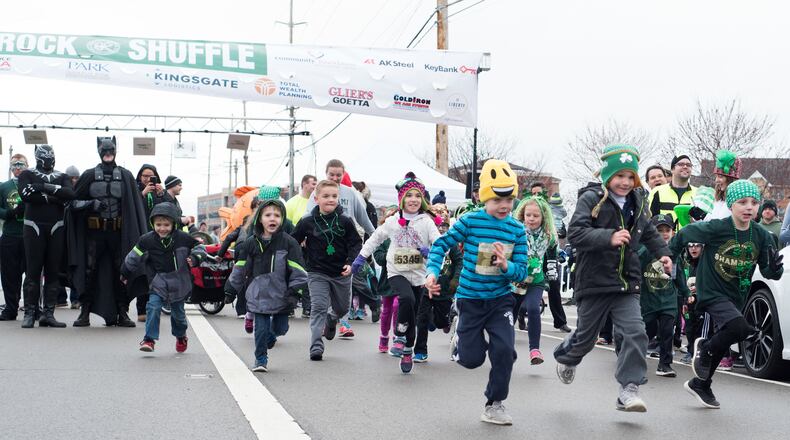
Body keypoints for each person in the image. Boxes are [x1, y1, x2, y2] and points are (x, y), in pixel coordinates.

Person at [554, 144, 672, 413]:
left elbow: (650, 232)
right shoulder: (591, 198)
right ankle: (566, 357)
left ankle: (629, 389)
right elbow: (575, 234)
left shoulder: (639, 201)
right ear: (608, 175)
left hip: (627, 282)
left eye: (630, 176)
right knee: (586, 338)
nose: (625, 182)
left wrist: (663, 254)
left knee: (635, 333)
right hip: (595, 281)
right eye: (620, 176)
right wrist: (609, 237)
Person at [425, 159, 528, 425]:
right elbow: (441, 245)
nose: (505, 206)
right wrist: (432, 272)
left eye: (510, 200)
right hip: (470, 299)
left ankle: (495, 404)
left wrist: (506, 265)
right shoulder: (470, 221)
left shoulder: (517, 230)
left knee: (505, 351)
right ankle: (461, 339)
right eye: (497, 200)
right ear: (484, 198)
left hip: (500, 300)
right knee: (471, 361)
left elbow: (521, 272)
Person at [672, 180, 783, 408]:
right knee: (740, 328)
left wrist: (776, 267)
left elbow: (769, 272)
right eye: (742, 202)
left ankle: (701, 384)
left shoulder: (761, 235)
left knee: (726, 336)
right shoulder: (716, 228)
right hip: (711, 290)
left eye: (754, 202)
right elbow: (683, 235)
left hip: (736, 295)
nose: (749, 207)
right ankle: (704, 348)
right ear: (731, 205)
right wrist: (667, 257)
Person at [351, 172, 442, 373]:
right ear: (401, 199)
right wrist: (359, 259)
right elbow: (374, 239)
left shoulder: (426, 221)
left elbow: (439, 243)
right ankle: (399, 335)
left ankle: (408, 349)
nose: (413, 200)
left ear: (423, 199)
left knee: (413, 314)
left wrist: (431, 251)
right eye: (409, 196)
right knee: (406, 299)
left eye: (417, 196)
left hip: (418, 275)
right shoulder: (392, 221)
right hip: (396, 271)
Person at [69, 136, 148, 327]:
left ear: (115, 150)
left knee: (122, 271)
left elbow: (134, 206)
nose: (107, 153)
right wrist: (91, 203)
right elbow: (72, 202)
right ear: (98, 150)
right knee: (89, 271)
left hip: (118, 233)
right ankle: (84, 312)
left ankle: (122, 312)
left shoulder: (126, 176)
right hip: (94, 233)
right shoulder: (88, 175)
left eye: (110, 150)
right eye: (104, 150)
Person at [225, 197, 307, 372]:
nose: (272, 218)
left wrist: (294, 292)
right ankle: (260, 359)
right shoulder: (250, 243)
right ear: (259, 219)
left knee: (280, 328)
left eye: (277, 215)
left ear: (282, 219)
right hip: (258, 295)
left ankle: (271, 337)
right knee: (260, 331)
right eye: (267, 215)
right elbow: (239, 268)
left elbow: (299, 270)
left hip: (282, 296)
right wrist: (231, 289)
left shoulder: (289, 243)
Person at [291, 180, 362, 361]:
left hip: (341, 273)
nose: (330, 199)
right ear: (316, 199)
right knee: (318, 307)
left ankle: (332, 319)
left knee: (341, 308)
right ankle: (316, 345)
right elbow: (292, 241)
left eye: (334, 196)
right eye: (326, 196)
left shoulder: (345, 221)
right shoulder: (307, 221)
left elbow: (355, 243)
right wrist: (299, 258)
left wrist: (351, 262)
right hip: (317, 272)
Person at [121, 202, 199, 353]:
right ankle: (149, 340)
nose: (162, 228)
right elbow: (133, 257)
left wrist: (195, 258)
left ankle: (181, 335)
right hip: (158, 280)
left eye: (166, 225)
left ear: (173, 224)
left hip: (178, 281)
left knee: (178, 316)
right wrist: (125, 272)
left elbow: (199, 248)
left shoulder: (183, 238)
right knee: (153, 307)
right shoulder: (146, 240)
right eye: (158, 224)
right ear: (153, 224)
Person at [17, 145, 76, 328]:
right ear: (38, 157)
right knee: (33, 271)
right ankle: (29, 313)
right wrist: (53, 196)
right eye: (45, 157)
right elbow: (25, 194)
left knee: (53, 272)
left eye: (51, 156)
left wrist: (42, 188)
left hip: (56, 227)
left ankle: (48, 313)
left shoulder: (62, 176)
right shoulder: (27, 174)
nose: (48, 160)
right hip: (33, 226)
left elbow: (69, 194)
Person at [638, 214, 689, 378]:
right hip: (649, 300)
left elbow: (679, 275)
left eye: (667, 230)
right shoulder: (644, 252)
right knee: (647, 331)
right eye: (659, 231)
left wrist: (686, 293)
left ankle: (665, 364)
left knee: (667, 331)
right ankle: (629, 354)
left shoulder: (673, 253)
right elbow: (633, 270)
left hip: (668, 300)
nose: (664, 234)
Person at [513, 195, 560, 364]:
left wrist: (552, 270)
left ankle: (535, 350)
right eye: (528, 215)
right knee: (510, 311)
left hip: (536, 279)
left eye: (536, 216)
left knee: (533, 309)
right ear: (522, 215)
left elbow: (552, 252)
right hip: (517, 278)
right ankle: (507, 346)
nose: (531, 219)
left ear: (543, 217)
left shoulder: (549, 235)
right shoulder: (516, 231)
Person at [413, 206, 460, 363]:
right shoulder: (422, 241)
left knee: (440, 321)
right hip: (424, 285)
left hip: (444, 288)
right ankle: (420, 351)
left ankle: (442, 319)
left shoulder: (449, 243)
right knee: (422, 318)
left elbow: (459, 261)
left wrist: (455, 280)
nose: (439, 229)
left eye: (442, 226)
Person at [0, 155, 28, 321]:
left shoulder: (32, 185)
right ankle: (11, 308)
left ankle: (33, 308)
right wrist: (8, 213)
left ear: (27, 166)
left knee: (32, 274)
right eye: (14, 165)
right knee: (10, 275)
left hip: (30, 236)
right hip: (10, 235)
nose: (18, 168)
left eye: (21, 165)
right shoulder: (4, 187)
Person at [648, 155, 696, 224]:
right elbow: (648, 220)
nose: (685, 167)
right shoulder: (657, 191)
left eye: (688, 165)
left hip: (689, 234)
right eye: (681, 164)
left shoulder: (698, 193)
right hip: (663, 235)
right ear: (672, 169)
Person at [679, 242, 704, 364]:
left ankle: (698, 353)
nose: (693, 249)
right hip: (688, 302)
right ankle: (690, 350)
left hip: (702, 302)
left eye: (697, 246)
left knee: (700, 328)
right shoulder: (686, 263)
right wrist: (684, 301)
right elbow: (683, 282)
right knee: (689, 327)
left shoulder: (706, 263)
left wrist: (699, 288)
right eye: (690, 246)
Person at [707, 150, 741, 220]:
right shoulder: (718, 200)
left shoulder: (737, 203)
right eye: (716, 176)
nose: (716, 180)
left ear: (730, 179)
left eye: (720, 176)